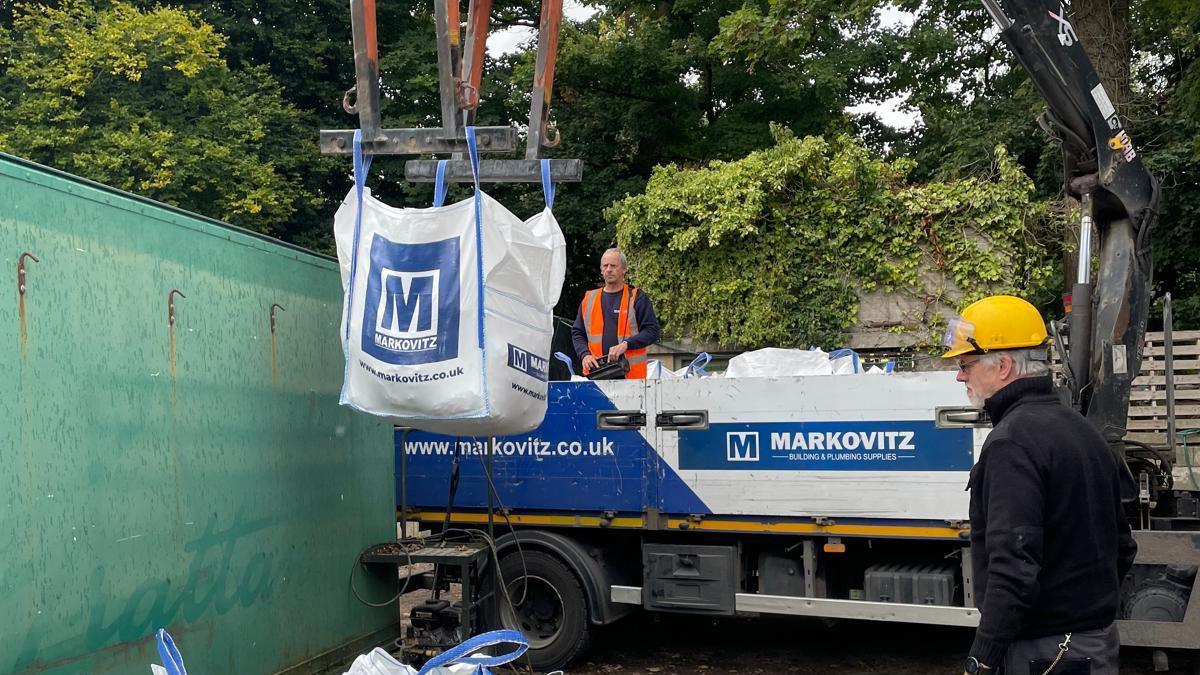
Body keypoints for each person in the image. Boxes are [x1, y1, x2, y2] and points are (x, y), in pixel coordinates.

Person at [945, 295, 1137, 675]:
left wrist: (981, 660)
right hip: (1091, 642)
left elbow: (1012, 567)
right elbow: (1123, 545)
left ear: (1002, 366)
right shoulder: (1085, 432)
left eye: (966, 365)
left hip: (1046, 652)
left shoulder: (1011, 443)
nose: (959, 376)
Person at [570, 248, 661, 379]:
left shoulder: (637, 298)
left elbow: (653, 331)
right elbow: (577, 332)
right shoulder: (589, 299)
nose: (608, 269)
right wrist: (585, 354)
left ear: (624, 269)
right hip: (596, 374)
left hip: (630, 377)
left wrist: (626, 345)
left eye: (613, 266)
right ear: (601, 269)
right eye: (605, 266)